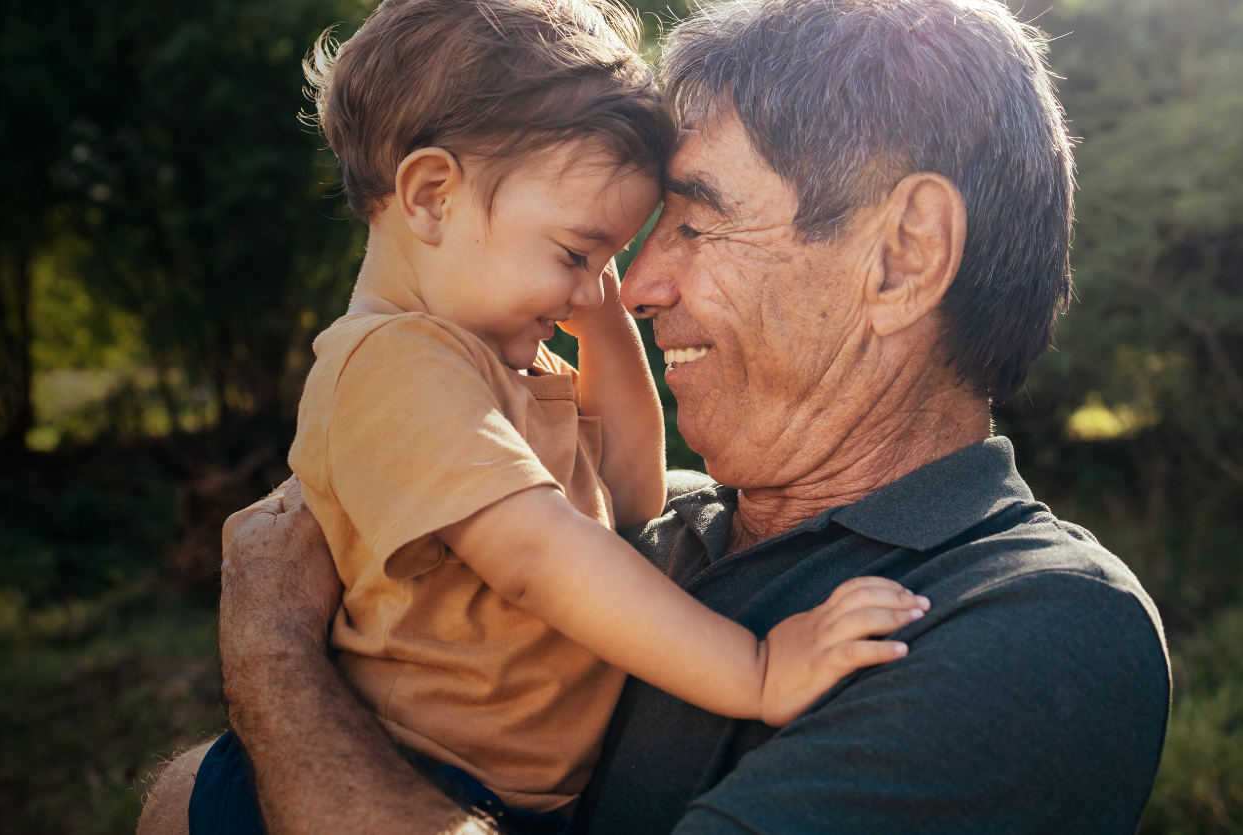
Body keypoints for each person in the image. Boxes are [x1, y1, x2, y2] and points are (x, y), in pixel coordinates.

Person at [139, 0, 1173, 833]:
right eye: (603, 245)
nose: (631, 287)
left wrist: (272, 659)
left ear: (900, 257)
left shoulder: (1041, 628)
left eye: (696, 219)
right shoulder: (665, 527)